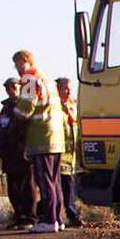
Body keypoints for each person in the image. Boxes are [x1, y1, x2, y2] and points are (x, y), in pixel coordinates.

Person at [12, 49, 65, 233]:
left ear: (25, 61)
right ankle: (58, 218)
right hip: (56, 137)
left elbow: (25, 109)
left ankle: (49, 220)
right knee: (55, 180)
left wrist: (15, 112)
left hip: (40, 137)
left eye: (18, 64)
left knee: (45, 180)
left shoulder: (29, 78)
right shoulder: (46, 79)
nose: (17, 69)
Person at [0, 77, 36, 228]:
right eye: (8, 88)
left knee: (27, 187)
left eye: (13, 87)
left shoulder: (25, 106)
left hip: (23, 154)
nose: (11, 90)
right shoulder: (5, 109)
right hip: (8, 155)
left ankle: (30, 217)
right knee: (13, 188)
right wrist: (0, 147)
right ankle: (18, 216)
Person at [55, 77, 81, 227]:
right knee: (58, 187)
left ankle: (72, 215)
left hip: (71, 156)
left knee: (69, 187)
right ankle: (55, 215)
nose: (68, 91)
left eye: (70, 89)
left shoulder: (74, 106)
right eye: (65, 89)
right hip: (59, 154)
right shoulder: (55, 107)